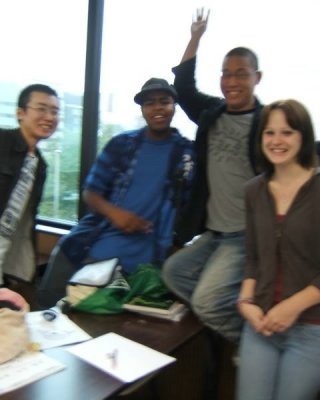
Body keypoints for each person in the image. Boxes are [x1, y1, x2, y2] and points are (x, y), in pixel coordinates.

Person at [38, 77, 195, 307]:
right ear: (142, 109)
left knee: (115, 331)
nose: (158, 107)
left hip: (147, 263)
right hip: (99, 247)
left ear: (174, 106)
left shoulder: (187, 155)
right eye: (150, 103)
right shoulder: (122, 144)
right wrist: (116, 214)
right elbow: (90, 192)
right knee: (52, 307)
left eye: (165, 101)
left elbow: (191, 209)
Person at [162, 9, 263, 343]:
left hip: (246, 234)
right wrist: (195, 37)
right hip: (213, 232)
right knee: (173, 273)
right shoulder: (211, 112)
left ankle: (251, 346)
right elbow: (184, 86)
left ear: (256, 78)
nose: (231, 81)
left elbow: (304, 147)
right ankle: (233, 314)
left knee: (206, 301)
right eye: (226, 73)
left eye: (241, 74)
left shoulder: (268, 122)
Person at [236, 99, 320, 400]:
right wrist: (246, 302)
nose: (276, 141)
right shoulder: (253, 190)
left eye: (287, 132)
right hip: (262, 324)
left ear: (303, 136)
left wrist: (291, 306)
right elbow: (253, 257)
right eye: (269, 133)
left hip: (312, 327)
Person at [0, 84, 59, 286]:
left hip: (7, 260)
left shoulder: (40, 164)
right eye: (41, 109)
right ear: (20, 113)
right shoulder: (2, 141)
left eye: (54, 111)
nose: (49, 117)